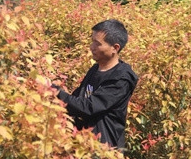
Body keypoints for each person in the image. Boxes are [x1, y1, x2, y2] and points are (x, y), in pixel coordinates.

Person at [51, 19, 138, 151]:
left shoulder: (121, 79)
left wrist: (53, 91)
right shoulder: (95, 69)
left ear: (115, 48)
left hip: (104, 153)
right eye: (92, 41)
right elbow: (76, 100)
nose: (92, 47)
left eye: (97, 44)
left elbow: (88, 107)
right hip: (82, 146)